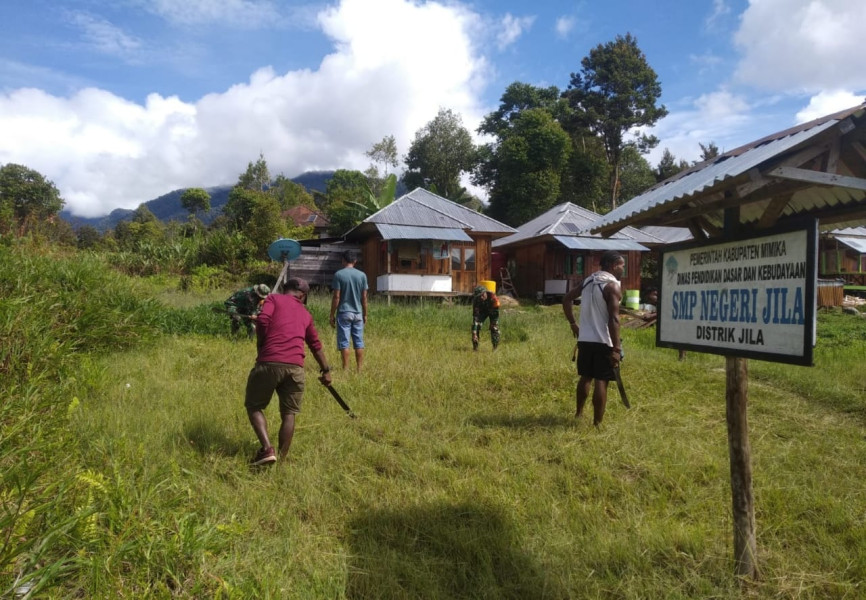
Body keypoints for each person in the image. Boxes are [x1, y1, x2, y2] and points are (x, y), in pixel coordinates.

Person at [245, 277, 332, 465]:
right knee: (289, 413)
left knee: (254, 406)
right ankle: (282, 462)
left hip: (270, 363)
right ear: (302, 295)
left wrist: (262, 346)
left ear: (287, 290)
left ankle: (268, 450)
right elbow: (315, 345)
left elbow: (262, 320)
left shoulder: (273, 299)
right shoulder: (305, 313)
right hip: (296, 369)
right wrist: (326, 370)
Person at [562, 251, 624, 426]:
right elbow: (614, 319)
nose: (622, 269)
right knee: (601, 381)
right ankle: (597, 424)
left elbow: (566, 299)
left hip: (585, 340)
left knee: (585, 377)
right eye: (621, 266)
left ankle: (579, 414)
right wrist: (616, 349)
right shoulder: (612, 286)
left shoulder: (588, 281)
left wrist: (573, 324)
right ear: (613, 266)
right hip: (604, 341)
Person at [329, 250, 368, 372]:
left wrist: (332, 314)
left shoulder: (339, 275)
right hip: (358, 313)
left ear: (343, 260)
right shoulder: (362, 275)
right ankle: (359, 369)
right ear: (355, 261)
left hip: (344, 312)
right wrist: (365, 314)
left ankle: (345, 369)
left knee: (344, 342)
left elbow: (336, 297)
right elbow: (364, 298)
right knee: (359, 342)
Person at [472, 285, 501, 351]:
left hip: (492, 310)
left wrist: (493, 324)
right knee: (476, 327)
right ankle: (475, 348)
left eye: (482, 295)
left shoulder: (494, 299)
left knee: (494, 328)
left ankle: (495, 348)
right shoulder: (476, 301)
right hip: (482, 312)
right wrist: (474, 333)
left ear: (485, 292)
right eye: (479, 296)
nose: (481, 297)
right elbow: (475, 317)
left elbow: (495, 314)